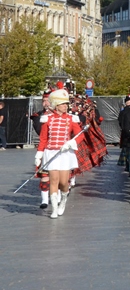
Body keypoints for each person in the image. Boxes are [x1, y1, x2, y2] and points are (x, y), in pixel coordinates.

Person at [36, 88, 82, 219]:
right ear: (56, 105)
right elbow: (43, 138)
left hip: (65, 153)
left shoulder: (71, 119)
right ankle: (54, 209)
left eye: (66, 104)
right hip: (51, 152)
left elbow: (80, 135)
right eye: (63, 104)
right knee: (53, 180)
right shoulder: (47, 119)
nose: (66, 106)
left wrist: (71, 143)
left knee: (63, 182)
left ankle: (63, 201)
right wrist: (39, 154)